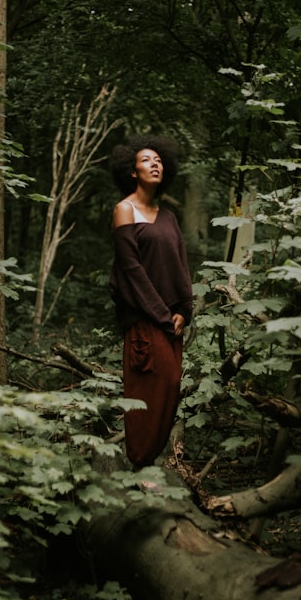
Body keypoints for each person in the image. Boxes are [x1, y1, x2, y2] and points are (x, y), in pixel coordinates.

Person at [109, 135, 193, 470]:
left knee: (171, 389)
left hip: (171, 321)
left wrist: (184, 312)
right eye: (146, 160)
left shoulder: (168, 216)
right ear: (132, 171)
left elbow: (181, 266)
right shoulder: (124, 210)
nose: (154, 163)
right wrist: (160, 314)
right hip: (144, 321)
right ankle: (139, 465)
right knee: (148, 393)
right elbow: (131, 270)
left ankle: (148, 465)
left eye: (158, 159)